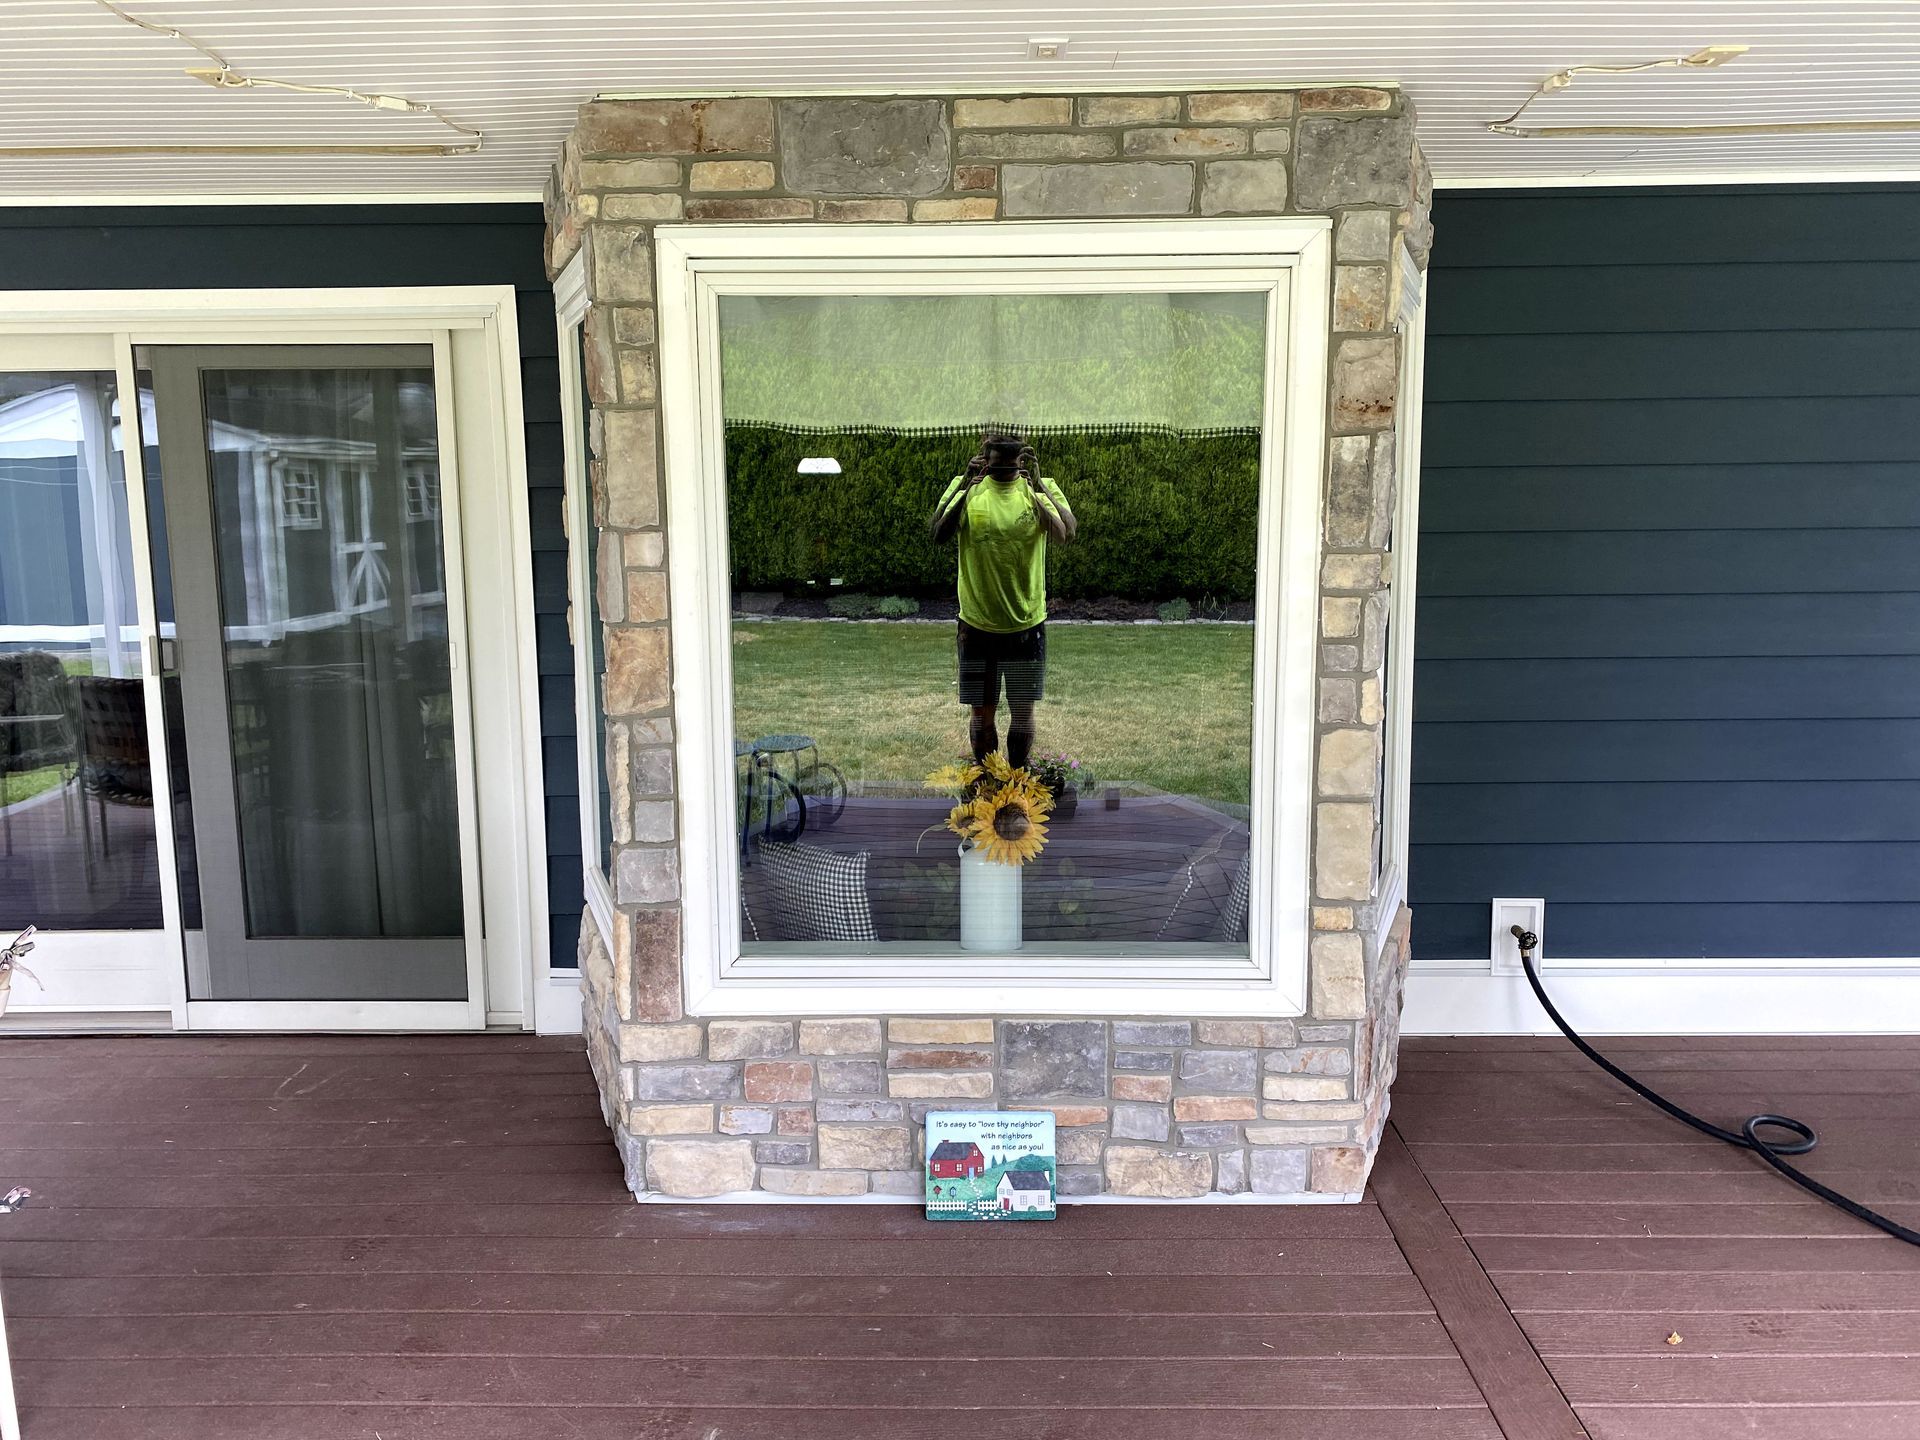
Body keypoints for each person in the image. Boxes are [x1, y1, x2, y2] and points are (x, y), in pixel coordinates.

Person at [928, 430, 1076, 769]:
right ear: (984, 450)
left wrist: (1038, 486)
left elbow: (1066, 532)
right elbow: (938, 533)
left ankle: (1017, 781)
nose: (1003, 463)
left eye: (1011, 455)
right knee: (981, 714)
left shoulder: (1041, 487)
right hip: (977, 626)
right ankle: (987, 781)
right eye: (997, 452)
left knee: (1022, 711)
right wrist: (966, 484)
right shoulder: (965, 487)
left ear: (1023, 455)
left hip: (1026, 625)